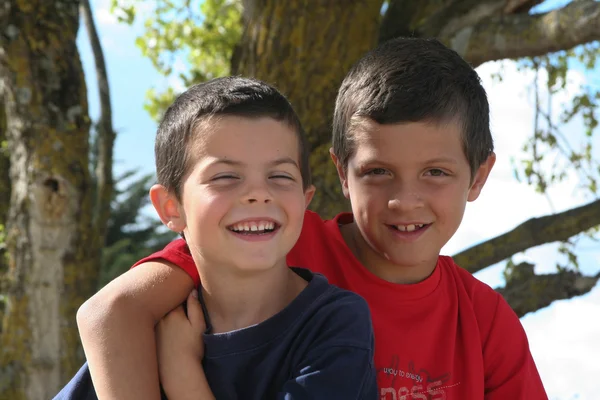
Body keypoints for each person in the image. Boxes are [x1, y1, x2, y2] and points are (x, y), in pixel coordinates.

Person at [76, 37, 548, 399]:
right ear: (342, 172)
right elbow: (111, 313)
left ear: (478, 176)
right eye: (378, 172)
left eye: (436, 173)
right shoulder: (269, 247)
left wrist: (183, 377)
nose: (405, 201)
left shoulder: (486, 324)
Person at [54, 76, 377, 400]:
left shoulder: (335, 325)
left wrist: (182, 374)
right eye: (225, 177)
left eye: (280, 176)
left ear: (305, 200)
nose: (258, 193)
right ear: (170, 207)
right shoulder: (145, 334)